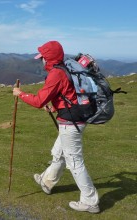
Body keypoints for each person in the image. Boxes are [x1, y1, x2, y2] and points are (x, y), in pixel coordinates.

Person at [12, 41, 100, 214]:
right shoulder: (64, 69)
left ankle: (90, 201)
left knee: (74, 162)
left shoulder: (56, 73)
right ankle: (47, 181)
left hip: (71, 123)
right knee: (58, 152)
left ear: (49, 57)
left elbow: (38, 101)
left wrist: (20, 94)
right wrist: (54, 107)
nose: (42, 61)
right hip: (74, 119)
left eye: (43, 57)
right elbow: (69, 94)